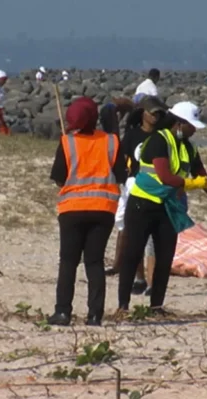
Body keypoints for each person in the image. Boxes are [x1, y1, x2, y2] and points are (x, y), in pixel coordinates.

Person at [118, 101, 207, 315]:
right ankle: (122, 306)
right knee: (132, 253)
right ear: (179, 123)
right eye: (191, 126)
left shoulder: (189, 147)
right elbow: (165, 176)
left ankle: (156, 306)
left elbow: (202, 174)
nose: (194, 130)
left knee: (164, 257)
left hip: (167, 207)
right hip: (143, 204)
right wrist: (193, 184)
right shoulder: (158, 141)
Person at [48, 97, 127, 326]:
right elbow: (121, 175)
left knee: (68, 261)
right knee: (94, 262)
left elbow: (59, 178)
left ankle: (63, 312)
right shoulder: (111, 141)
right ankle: (94, 315)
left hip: (72, 209)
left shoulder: (67, 142)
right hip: (103, 209)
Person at [108, 97, 169, 296]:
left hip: (155, 190)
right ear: (143, 113)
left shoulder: (164, 137)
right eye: (152, 112)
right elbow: (122, 158)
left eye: (158, 113)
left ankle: (152, 283)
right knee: (130, 233)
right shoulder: (133, 136)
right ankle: (139, 278)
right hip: (132, 186)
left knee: (152, 238)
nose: (155, 116)